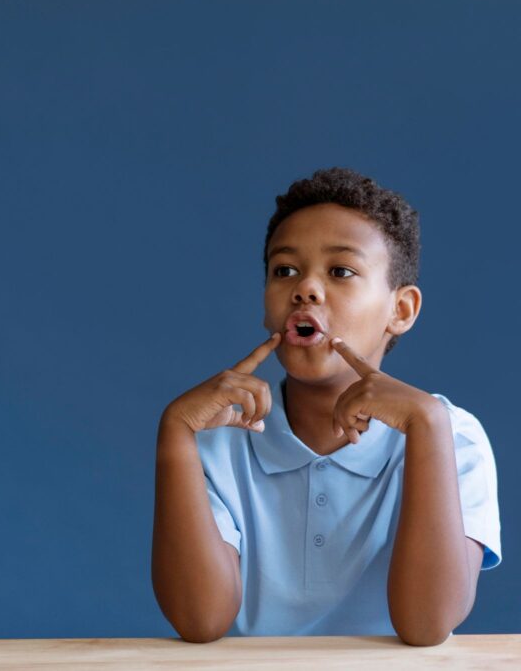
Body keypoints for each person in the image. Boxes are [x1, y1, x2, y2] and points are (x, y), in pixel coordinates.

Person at [152, 167, 501, 645]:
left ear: (401, 310)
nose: (305, 289)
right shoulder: (218, 436)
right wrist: (175, 432)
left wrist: (426, 426)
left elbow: (426, 625)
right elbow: (200, 621)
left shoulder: (451, 435)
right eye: (284, 271)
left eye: (341, 272)